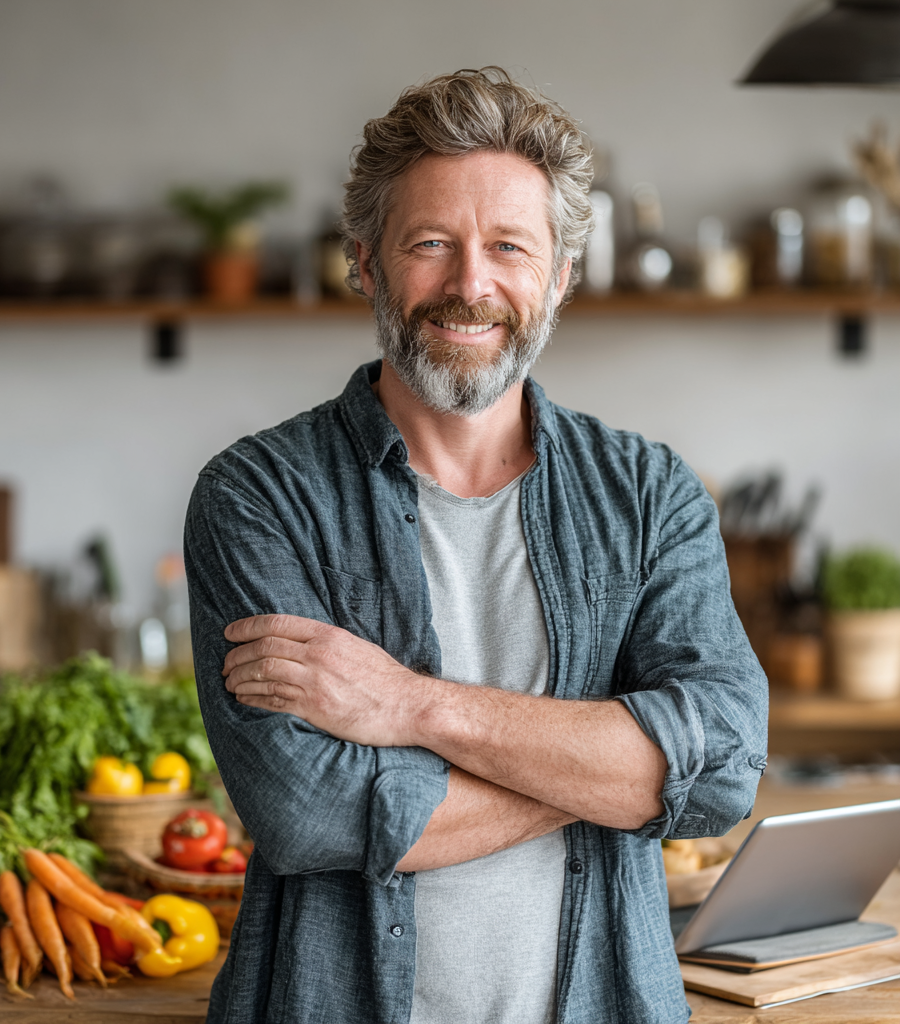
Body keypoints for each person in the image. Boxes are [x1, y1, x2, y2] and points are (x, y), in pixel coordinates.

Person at [185, 67, 767, 1024]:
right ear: (366, 262)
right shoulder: (258, 496)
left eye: (508, 245)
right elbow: (306, 811)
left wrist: (408, 706)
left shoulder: (650, 495)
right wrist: (613, 773)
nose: (470, 285)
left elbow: (727, 770)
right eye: (430, 244)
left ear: (561, 276)